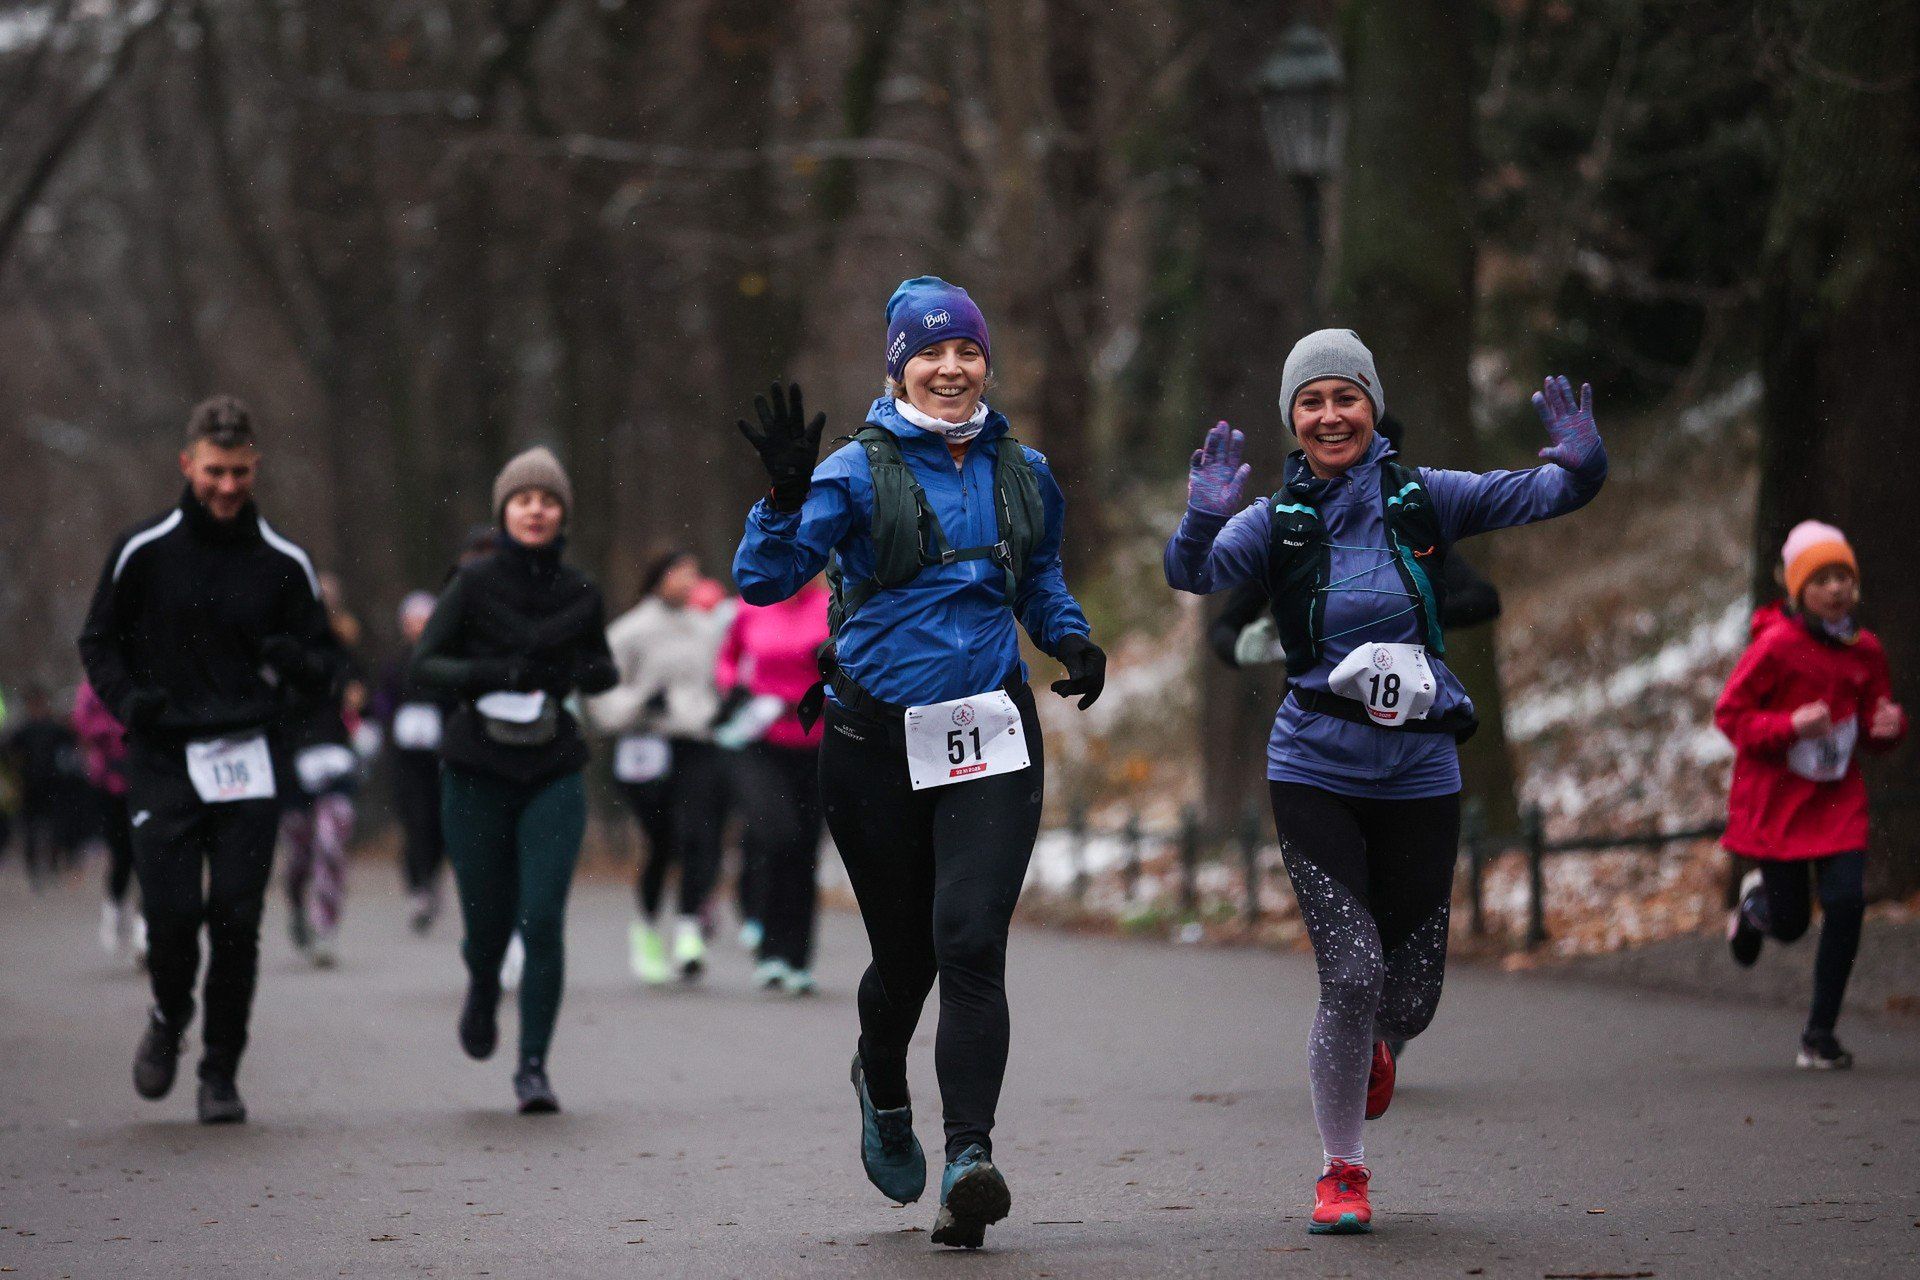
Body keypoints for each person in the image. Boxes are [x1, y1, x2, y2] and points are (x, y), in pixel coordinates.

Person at [1163, 330, 1607, 1235]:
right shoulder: (1277, 519)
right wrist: (1203, 516)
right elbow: (1192, 573)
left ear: (1371, 405)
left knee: (1409, 998)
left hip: (1418, 770)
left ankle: (1370, 1045)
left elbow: (1544, 492)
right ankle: (1342, 1172)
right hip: (1314, 763)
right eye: (1311, 403)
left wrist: (1584, 464)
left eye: (1345, 398)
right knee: (1352, 972)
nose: (1330, 416)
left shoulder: (1422, 497)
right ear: (1293, 420)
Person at [732, 276, 1106, 1249]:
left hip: (990, 732)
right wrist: (780, 496)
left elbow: (1040, 573)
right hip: (871, 746)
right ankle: (880, 1078)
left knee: (970, 938)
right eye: (930, 353)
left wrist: (1071, 638)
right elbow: (764, 580)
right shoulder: (854, 474)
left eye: (967, 351)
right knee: (905, 960)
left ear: (985, 360)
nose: (951, 367)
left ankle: (969, 1160)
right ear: (898, 364)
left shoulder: (1024, 469)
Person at [77, 394, 340, 1124]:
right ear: (188, 464)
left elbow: (325, 661)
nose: (228, 487)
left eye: (241, 473)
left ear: (257, 468)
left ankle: (220, 1069)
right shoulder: (144, 550)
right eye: (215, 472)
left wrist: (296, 666)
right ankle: (168, 1015)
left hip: (249, 754)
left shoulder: (284, 561)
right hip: (163, 755)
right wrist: (128, 701)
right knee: (172, 913)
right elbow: (97, 642)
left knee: (235, 917)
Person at [409, 446, 617, 1114]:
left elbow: (605, 670)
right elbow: (425, 664)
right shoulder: (471, 586)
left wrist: (575, 674)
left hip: (552, 766)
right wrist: (494, 674)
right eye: (524, 499)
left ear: (562, 516)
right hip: (476, 768)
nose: (536, 508)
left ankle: (532, 1066)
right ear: (504, 512)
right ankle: (480, 981)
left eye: (549, 500)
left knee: (544, 918)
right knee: (488, 921)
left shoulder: (581, 591)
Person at [1717, 521, 1906, 1068]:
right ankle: (1756, 909)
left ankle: (1819, 1035)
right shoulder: (1776, 647)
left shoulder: (1866, 650)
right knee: (1794, 922)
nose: (1836, 588)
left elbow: (1871, 727)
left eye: (1843, 576)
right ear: (1799, 590)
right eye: (1821, 579)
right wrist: (1790, 726)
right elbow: (1731, 716)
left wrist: (1890, 727)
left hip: (1838, 801)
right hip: (1781, 801)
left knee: (1847, 902)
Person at [1207, 415, 1502, 670]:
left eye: (1379, 467)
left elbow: (1484, 600)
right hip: (1317, 712)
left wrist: (1403, 616)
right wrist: (1243, 648)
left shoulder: (1413, 534)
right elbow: (1224, 626)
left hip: (1408, 710)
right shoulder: (1291, 534)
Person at [586, 549, 736, 985]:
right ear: (657, 579)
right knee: (663, 842)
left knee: (700, 835)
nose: (689, 582)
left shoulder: (707, 629)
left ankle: (689, 928)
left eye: (694, 574)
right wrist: (635, 704)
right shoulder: (631, 630)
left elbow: (721, 676)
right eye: (679, 574)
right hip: (646, 747)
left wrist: (724, 706)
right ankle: (648, 928)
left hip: (696, 742)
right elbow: (602, 687)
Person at [713, 573, 831, 994]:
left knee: (804, 848)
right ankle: (767, 947)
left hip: (816, 743)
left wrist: (829, 663)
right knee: (776, 833)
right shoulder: (751, 605)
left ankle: (796, 959)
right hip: (759, 742)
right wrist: (734, 687)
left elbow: (857, 663)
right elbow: (727, 659)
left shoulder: (831, 606)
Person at [276, 573, 368, 967]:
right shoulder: (283, 650)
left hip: (336, 759)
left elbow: (365, 702)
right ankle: (298, 904)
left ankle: (324, 930)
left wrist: (359, 706)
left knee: (331, 846)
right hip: (295, 764)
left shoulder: (347, 650)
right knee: (299, 853)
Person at [375, 590, 452, 934]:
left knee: (438, 823)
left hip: (438, 755)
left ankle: (430, 879)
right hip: (405, 757)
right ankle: (418, 886)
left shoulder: (444, 660)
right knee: (414, 820)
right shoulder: (395, 662)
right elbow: (382, 702)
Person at [73, 680, 145, 963]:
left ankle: (144, 932)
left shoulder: (146, 671)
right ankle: (114, 906)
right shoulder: (93, 686)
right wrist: (117, 728)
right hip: (110, 786)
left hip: (147, 783)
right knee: (122, 856)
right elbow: (83, 723)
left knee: (149, 858)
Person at [3, 686, 82, 889]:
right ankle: (35, 869)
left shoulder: (51, 728)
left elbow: (72, 744)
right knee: (33, 829)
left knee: (52, 827)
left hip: (51, 784)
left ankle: (50, 866)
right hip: (32, 784)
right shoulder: (26, 730)